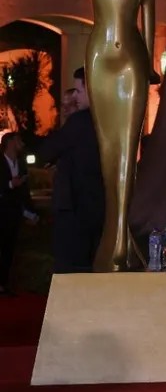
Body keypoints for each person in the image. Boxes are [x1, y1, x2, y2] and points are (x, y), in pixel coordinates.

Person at [40, 67, 105, 273]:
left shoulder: (80, 121)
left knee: (70, 269)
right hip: (100, 208)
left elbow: (47, 152)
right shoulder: (108, 119)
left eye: (78, 91)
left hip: (74, 210)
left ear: (91, 90)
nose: (75, 96)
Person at [0, 132, 34, 296]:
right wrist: (10, 184)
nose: (22, 143)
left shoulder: (20, 163)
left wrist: (31, 212)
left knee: (10, 248)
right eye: (18, 140)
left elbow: (25, 192)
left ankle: (4, 283)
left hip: (13, 214)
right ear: (10, 143)